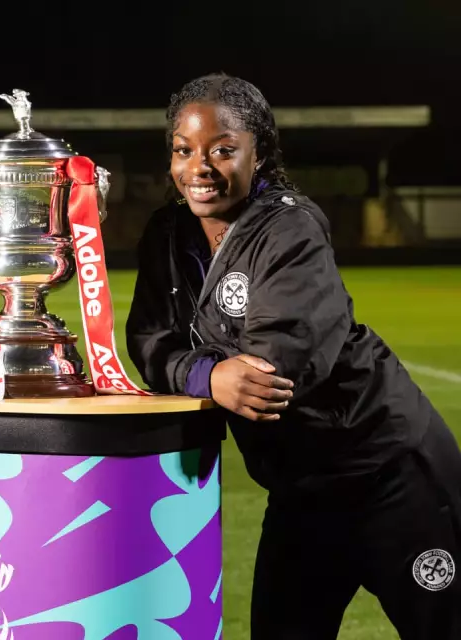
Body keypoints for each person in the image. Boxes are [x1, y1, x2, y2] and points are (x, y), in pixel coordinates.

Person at [126, 72, 461, 639]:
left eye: (223, 150)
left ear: (259, 154)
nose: (199, 167)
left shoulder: (289, 226)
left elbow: (274, 370)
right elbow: (149, 340)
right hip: (302, 493)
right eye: (184, 150)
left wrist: (202, 372)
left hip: (389, 473)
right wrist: (207, 375)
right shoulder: (166, 234)